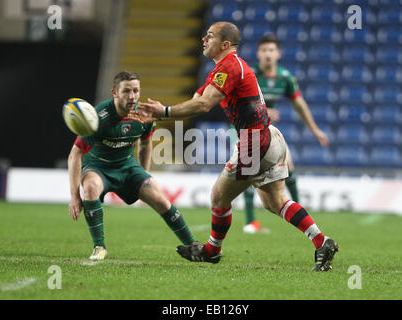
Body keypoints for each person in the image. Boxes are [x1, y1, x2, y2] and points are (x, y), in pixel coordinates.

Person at [130, 22, 338, 271]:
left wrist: (163, 112)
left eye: (210, 36)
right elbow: (198, 98)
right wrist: (161, 113)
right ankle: (322, 241)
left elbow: (205, 105)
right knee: (275, 202)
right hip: (269, 137)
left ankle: (211, 251)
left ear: (225, 44)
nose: (203, 40)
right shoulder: (224, 68)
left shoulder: (230, 66)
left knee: (219, 196)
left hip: (254, 143)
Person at [68, 71, 196, 260]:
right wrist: (74, 196)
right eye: (126, 91)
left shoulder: (142, 114)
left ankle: (193, 245)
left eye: (136, 91)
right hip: (98, 166)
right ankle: (99, 247)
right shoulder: (97, 118)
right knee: (90, 186)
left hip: (127, 166)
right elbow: (75, 154)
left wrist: (144, 173)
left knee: (161, 200)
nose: (132, 96)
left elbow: (145, 143)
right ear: (115, 93)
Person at [239, 34, 330, 234]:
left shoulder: (285, 77)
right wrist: (262, 111)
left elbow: (300, 105)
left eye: (271, 50)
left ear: (278, 53)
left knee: (288, 164)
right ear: (258, 53)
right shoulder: (250, 74)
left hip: (265, 129)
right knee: (249, 168)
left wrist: (315, 131)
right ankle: (250, 222)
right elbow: (238, 103)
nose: (267, 54)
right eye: (264, 50)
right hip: (243, 128)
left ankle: (300, 213)